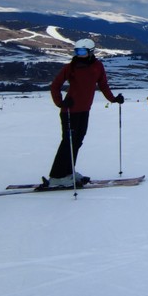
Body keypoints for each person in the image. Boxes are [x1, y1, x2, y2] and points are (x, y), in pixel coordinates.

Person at [46, 38, 123, 187]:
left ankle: (68, 172)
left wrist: (113, 99)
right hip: (69, 111)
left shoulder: (97, 66)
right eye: (77, 51)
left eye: (82, 51)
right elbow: (55, 85)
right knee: (68, 143)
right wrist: (60, 103)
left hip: (84, 110)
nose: (79, 54)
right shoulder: (71, 67)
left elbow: (103, 85)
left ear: (91, 52)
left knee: (77, 142)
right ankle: (57, 177)